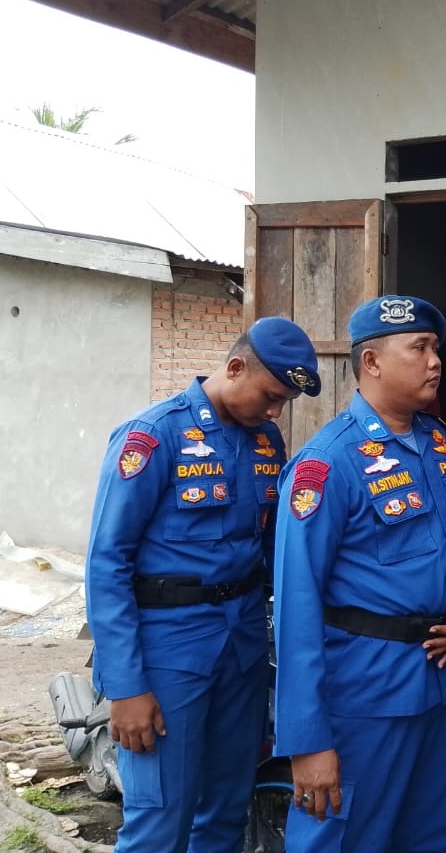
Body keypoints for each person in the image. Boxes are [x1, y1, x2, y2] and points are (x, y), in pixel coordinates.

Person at [85, 316, 321, 853]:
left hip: (240, 647)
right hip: (168, 650)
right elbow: (107, 563)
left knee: (226, 807)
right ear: (235, 367)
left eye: (284, 401)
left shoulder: (265, 441)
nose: (275, 410)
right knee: (160, 816)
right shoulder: (152, 436)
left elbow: (269, 548)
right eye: (270, 395)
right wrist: (126, 687)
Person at [273, 294, 446, 853]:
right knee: (345, 840)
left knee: (433, 836)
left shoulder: (439, 441)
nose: (436, 361)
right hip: (367, 695)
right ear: (371, 362)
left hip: (443, 688)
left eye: (435, 348)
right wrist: (307, 741)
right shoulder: (328, 464)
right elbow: (296, 605)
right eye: (419, 348)